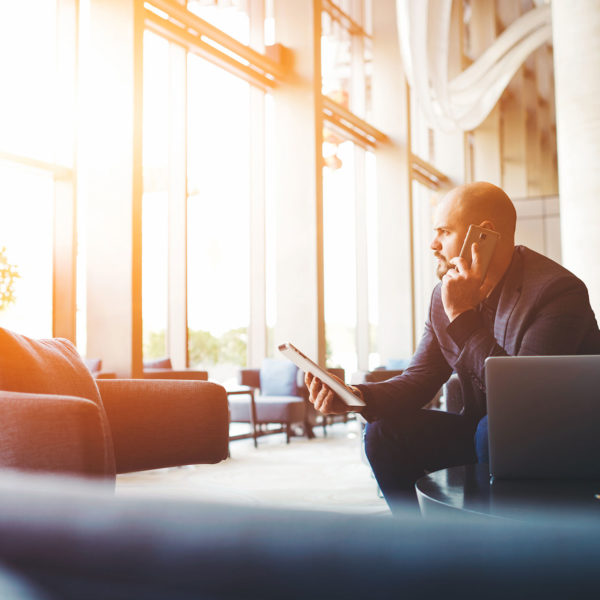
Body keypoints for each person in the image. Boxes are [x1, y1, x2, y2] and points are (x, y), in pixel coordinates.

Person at [306, 181, 600, 514]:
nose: (433, 244)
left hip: (558, 440)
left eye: (444, 231)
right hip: (486, 435)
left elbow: (524, 404)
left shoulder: (557, 292)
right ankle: (423, 546)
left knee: (490, 431)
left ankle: (498, 552)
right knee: (383, 433)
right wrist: (354, 397)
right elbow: (420, 379)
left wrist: (462, 315)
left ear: (483, 235)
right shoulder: (443, 294)